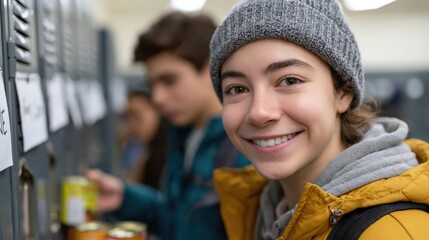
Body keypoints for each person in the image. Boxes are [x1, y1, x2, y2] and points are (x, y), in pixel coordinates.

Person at [209, 0, 429, 239]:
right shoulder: (260, 211)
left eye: (290, 81)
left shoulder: (392, 231)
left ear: (343, 93)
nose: (259, 112)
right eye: (237, 89)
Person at [87, 12, 249, 240]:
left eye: (169, 81)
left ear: (210, 67)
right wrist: (124, 197)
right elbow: (179, 220)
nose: (158, 98)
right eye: (152, 85)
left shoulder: (243, 147)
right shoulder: (185, 134)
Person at [120, 88, 168, 188]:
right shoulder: (148, 151)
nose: (131, 125)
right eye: (128, 117)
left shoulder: (168, 153)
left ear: (157, 111)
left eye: (137, 116)